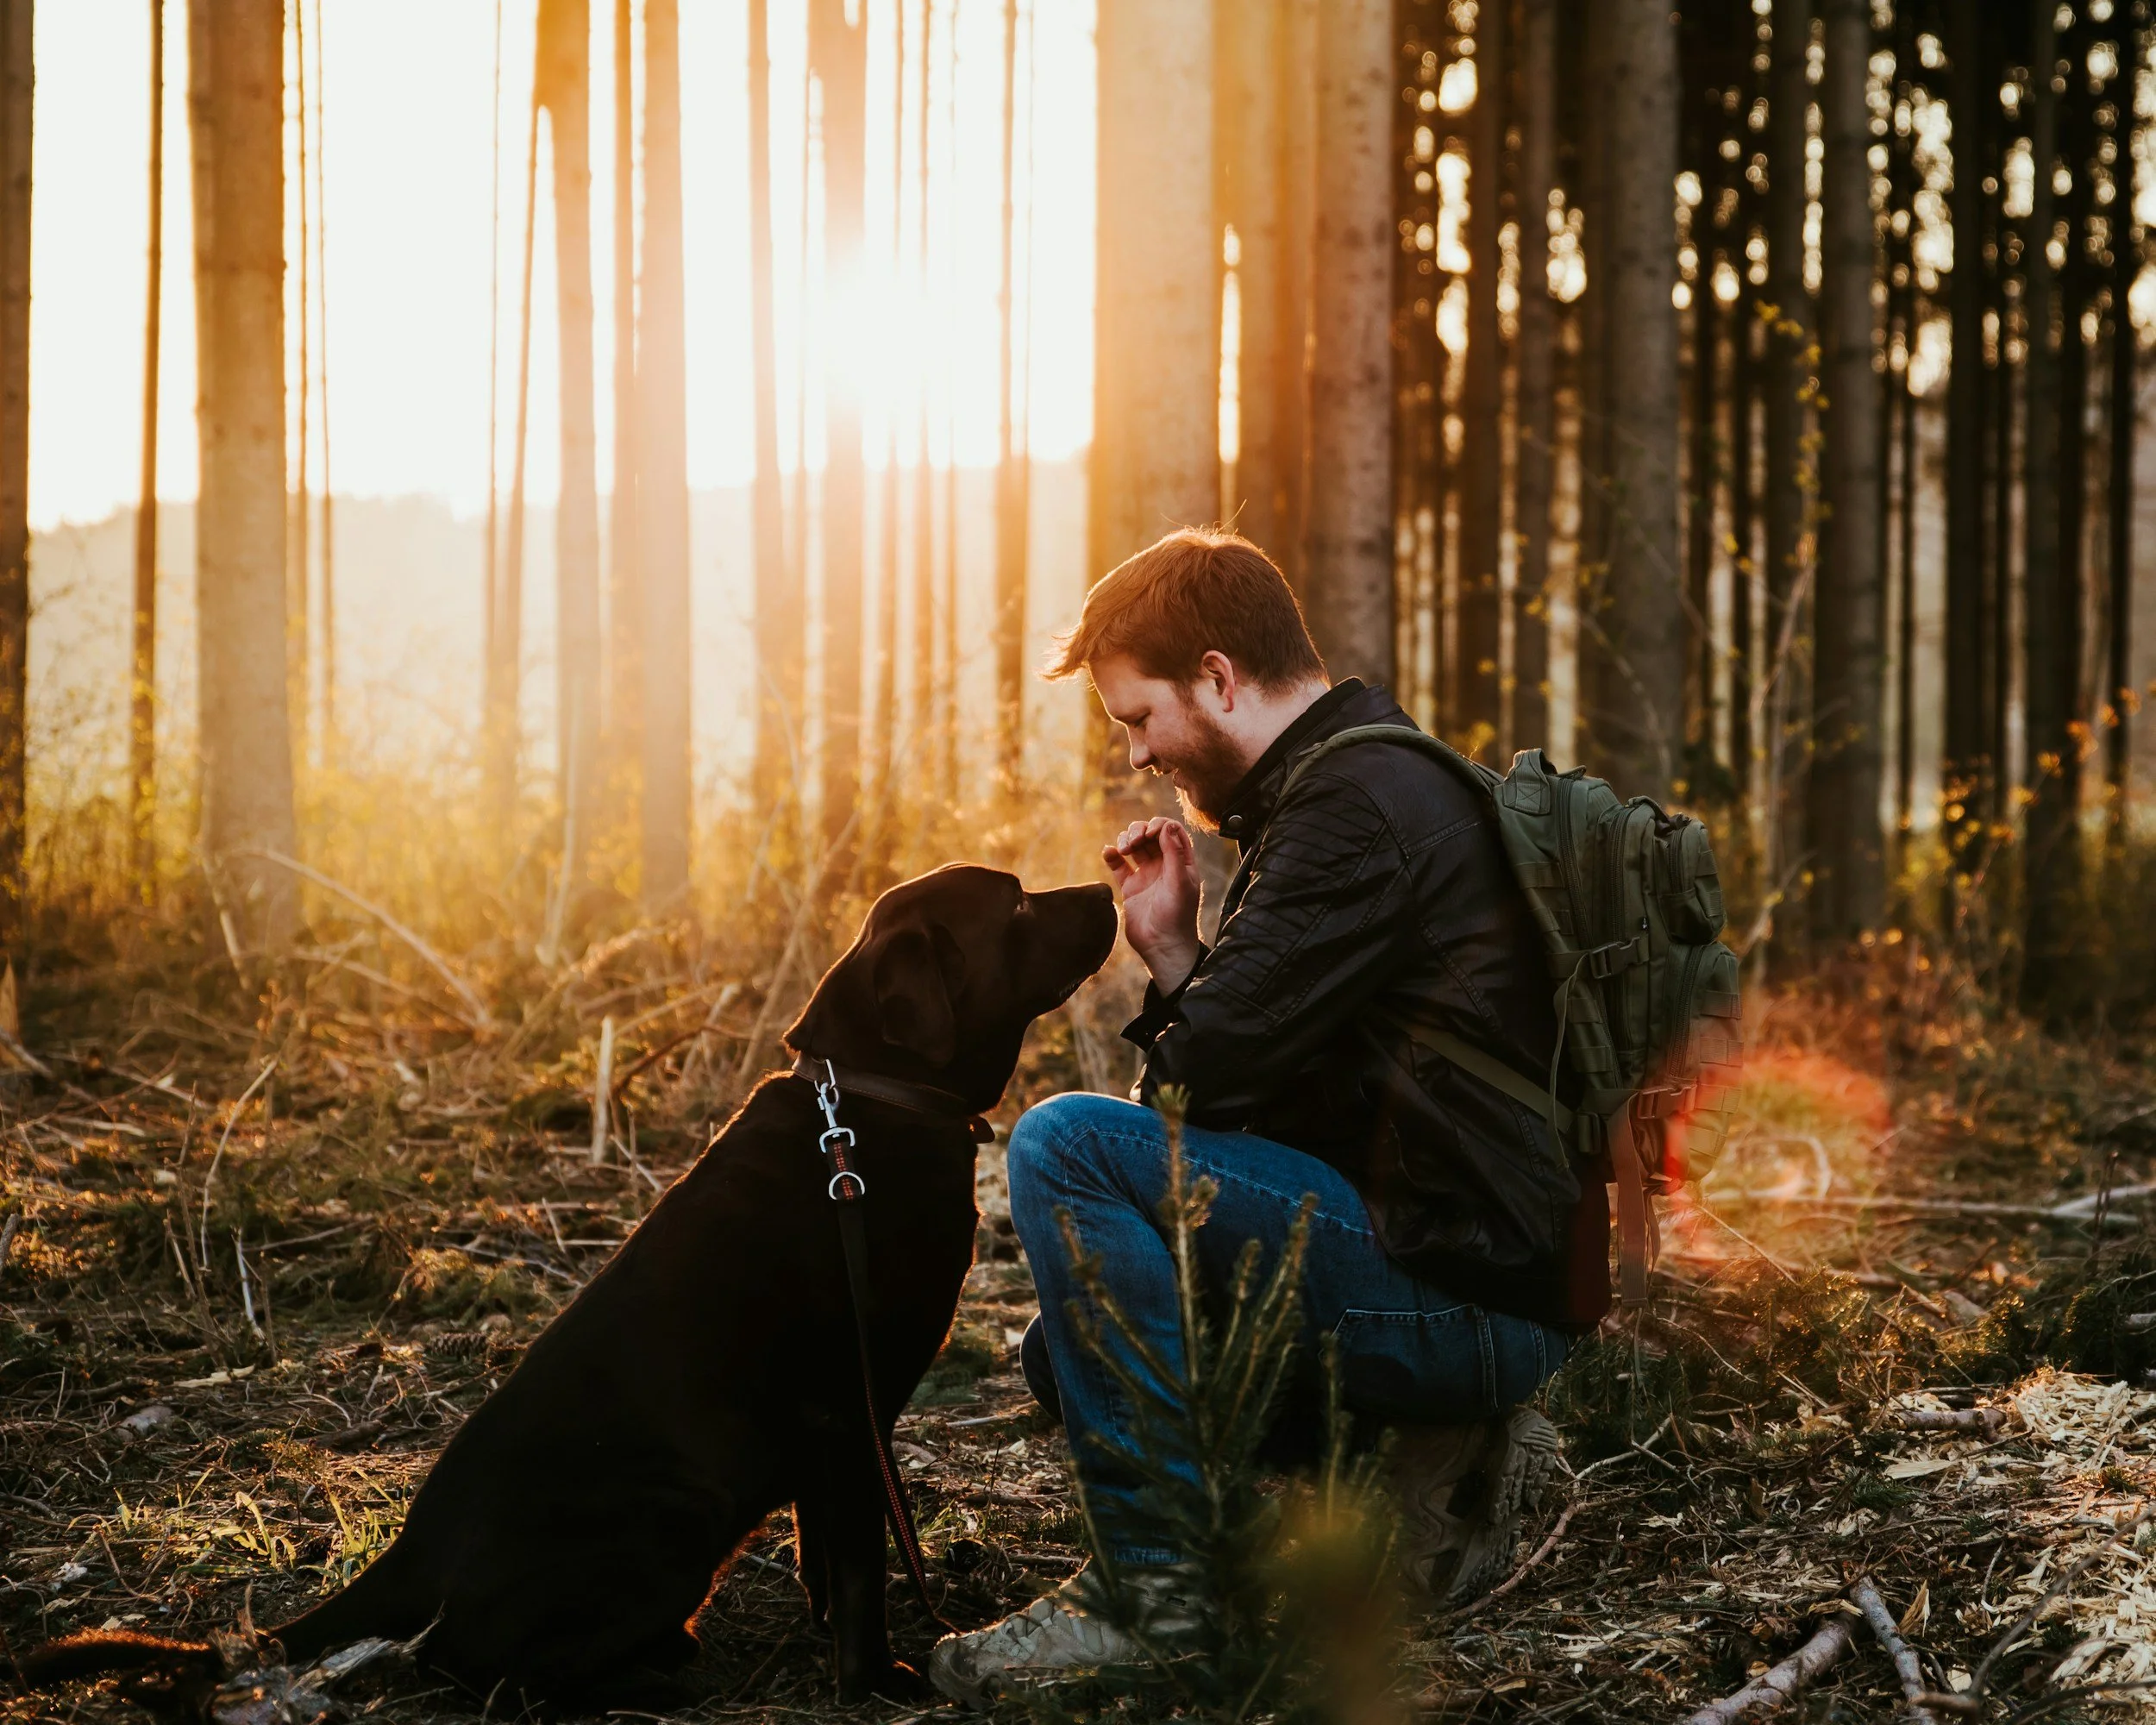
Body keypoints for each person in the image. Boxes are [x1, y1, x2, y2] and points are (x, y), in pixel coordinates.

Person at [928, 529, 1605, 1703]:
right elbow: (1263, 1089)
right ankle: (1425, 1460)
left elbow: (1189, 1097)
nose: (1138, 755)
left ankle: (1155, 1596)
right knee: (1069, 1352)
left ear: (1220, 678)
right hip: (1475, 1262)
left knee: (1066, 1145)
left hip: (1470, 1289)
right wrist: (1183, 950)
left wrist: (1180, 974)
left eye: (1140, 719)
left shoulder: (1355, 812)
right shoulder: (1360, 782)